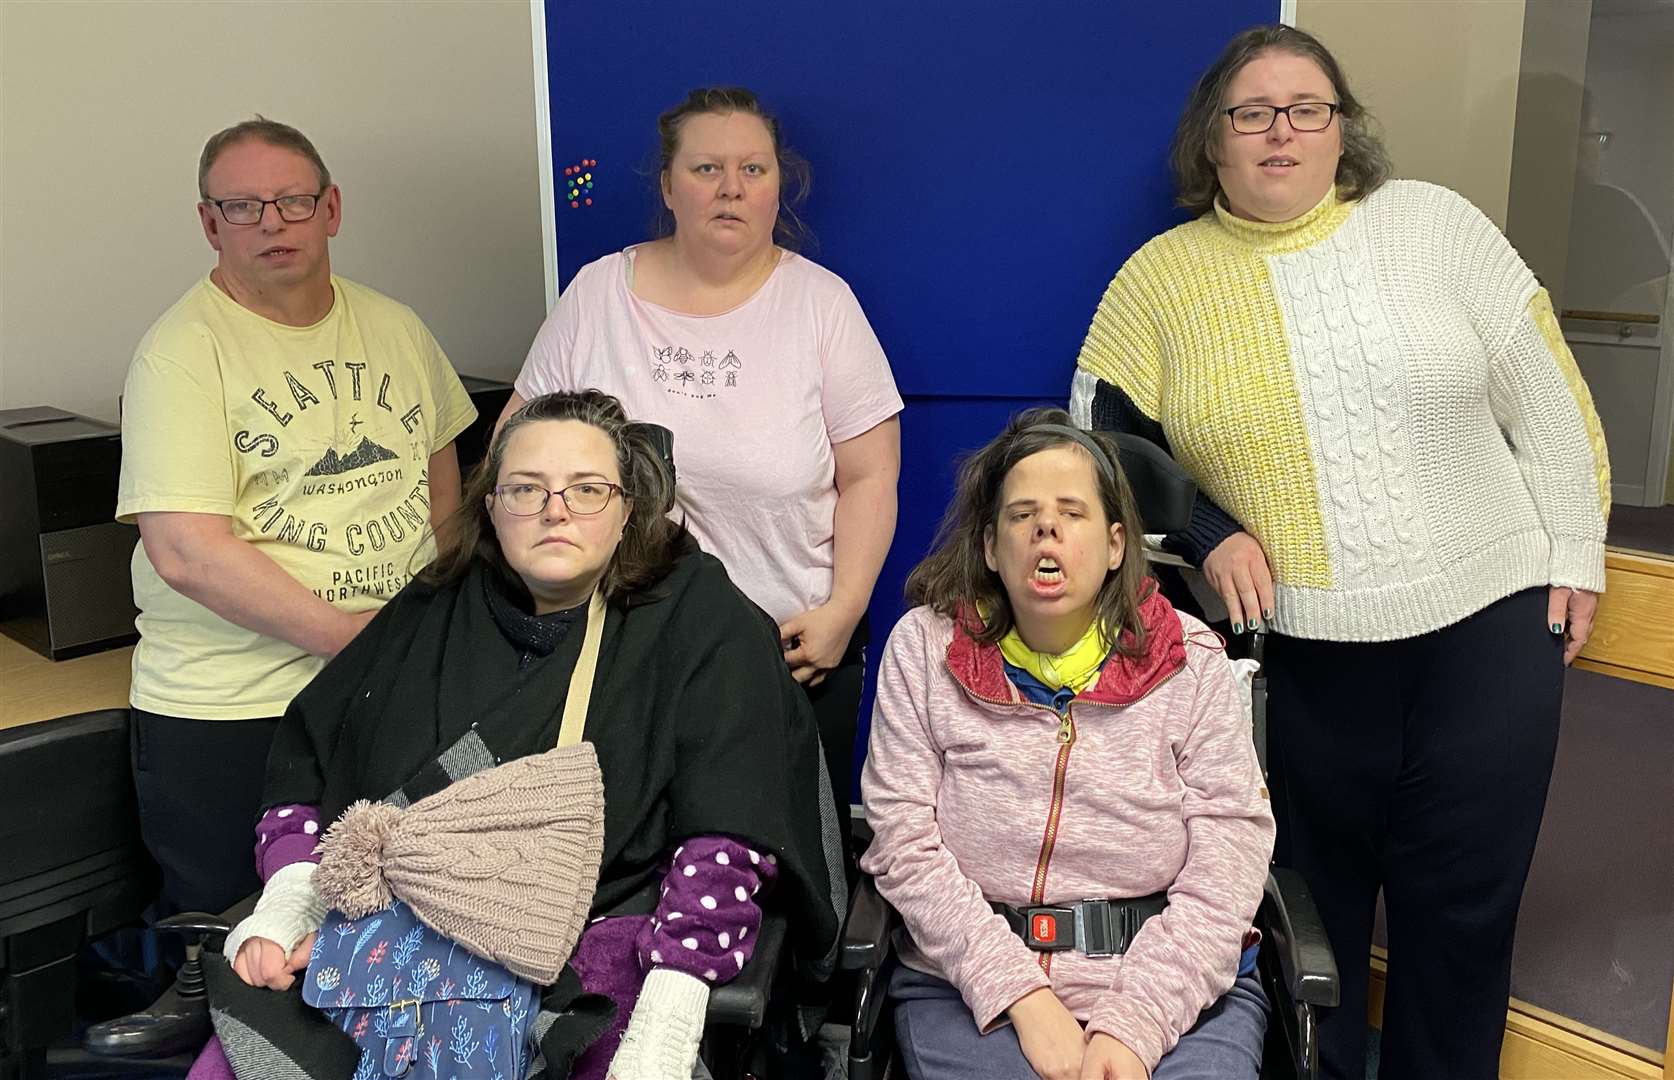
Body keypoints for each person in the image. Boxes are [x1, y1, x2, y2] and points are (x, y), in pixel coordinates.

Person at [1069, 25, 1611, 1079]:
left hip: (1487, 628)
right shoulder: (1160, 282)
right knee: (1303, 927)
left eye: (1307, 108)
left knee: (1461, 920)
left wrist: (1577, 550)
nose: (1282, 131)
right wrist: (1207, 535)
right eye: (1252, 112)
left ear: (1342, 129)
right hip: (1296, 654)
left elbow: (1541, 389)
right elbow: (1102, 449)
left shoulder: (1435, 226)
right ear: (1212, 141)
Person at [189, 391, 843, 1080]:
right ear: (491, 506)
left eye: (587, 489)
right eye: (526, 489)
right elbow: (308, 766)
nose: (555, 509)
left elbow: (730, 831)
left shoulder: (703, 619)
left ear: (629, 509)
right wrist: (290, 899)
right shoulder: (431, 610)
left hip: (598, 923)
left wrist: (670, 1013)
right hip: (400, 927)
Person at [506, 88, 902, 834]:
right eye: (706, 167)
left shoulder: (822, 306)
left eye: (753, 168)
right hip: (610, 654)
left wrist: (844, 611)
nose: (730, 188)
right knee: (625, 873)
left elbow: (870, 475)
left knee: (788, 876)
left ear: (778, 185)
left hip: (788, 657)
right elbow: (515, 456)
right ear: (667, 185)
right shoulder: (597, 295)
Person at [115, 117, 475, 918]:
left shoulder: (396, 328)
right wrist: (367, 643)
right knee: (246, 945)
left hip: (392, 695)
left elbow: (442, 486)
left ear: (332, 209)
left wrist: (423, 635)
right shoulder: (180, 355)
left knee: (399, 929)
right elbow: (186, 553)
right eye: (242, 207)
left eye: (292, 201)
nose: (271, 223)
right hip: (239, 711)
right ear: (210, 223)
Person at [860, 409, 1274, 1080]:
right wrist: (1019, 993)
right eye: (1022, 515)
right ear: (992, 548)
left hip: (1171, 982)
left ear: (1116, 545)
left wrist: (1137, 1023)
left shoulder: (1193, 663)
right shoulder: (925, 649)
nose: (1045, 528)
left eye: (1070, 513)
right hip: (970, 978)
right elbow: (902, 842)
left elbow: (1228, 870)